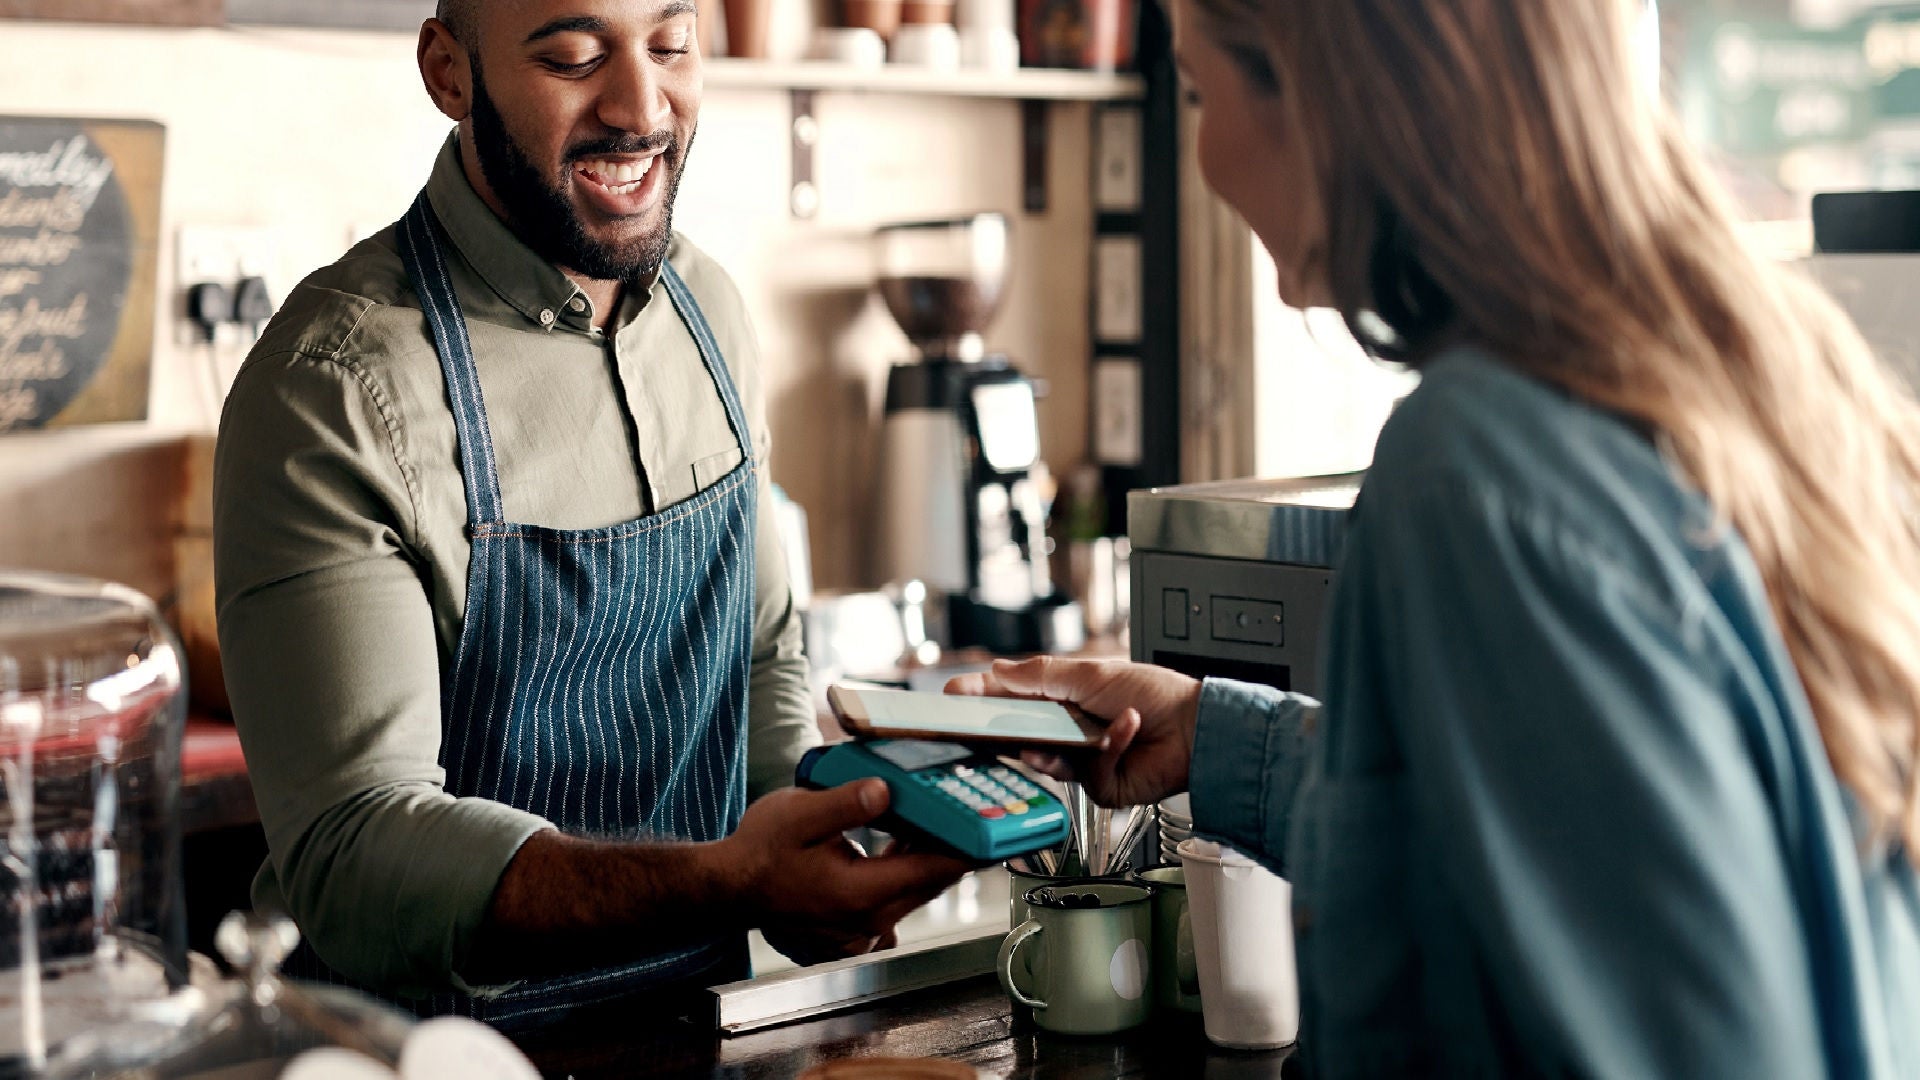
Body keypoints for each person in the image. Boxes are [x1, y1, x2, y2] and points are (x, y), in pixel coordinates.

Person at [951, 1, 1920, 1075]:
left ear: (1323, 100)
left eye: (1198, 93)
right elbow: (1577, 851)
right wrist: (1220, 741)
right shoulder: (1762, 377)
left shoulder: (1475, 475)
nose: (1208, 159)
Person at [213, 0, 969, 1027]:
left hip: (696, 1033)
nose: (640, 104)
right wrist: (730, 882)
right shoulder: (336, 387)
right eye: (573, 56)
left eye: (671, 44)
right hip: (423, 1055)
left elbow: (758, 661)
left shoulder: (713, 315)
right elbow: (355, 849)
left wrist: (821, 833)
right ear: (449, 72)